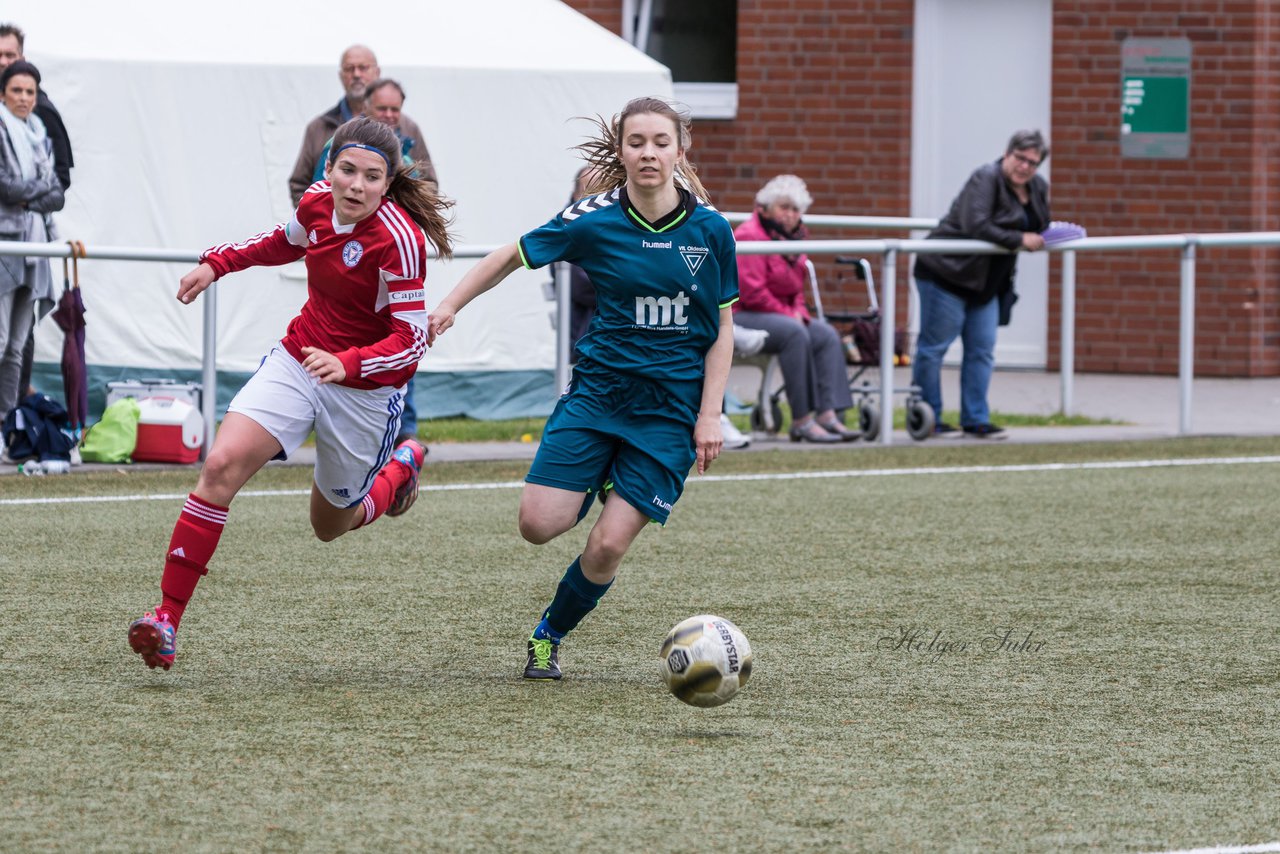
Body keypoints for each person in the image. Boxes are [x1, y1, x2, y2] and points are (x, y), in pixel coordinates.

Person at [127, 116, 454, 671]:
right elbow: (282, 242)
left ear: (387, 182)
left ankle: (400, 467)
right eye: (347, 170)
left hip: (366, 394)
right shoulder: (317, 202)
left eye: (372, 177)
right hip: (301, 358)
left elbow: (411, 343)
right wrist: (217, 263)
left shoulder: (400, 241)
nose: (356, 185)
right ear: (329, 168)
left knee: (331, 527)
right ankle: (166, 619)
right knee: (220, 465)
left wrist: (348, 363)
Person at [428, 96, 738, 681]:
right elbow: (510, 256)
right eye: (637, 142)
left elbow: (722, 328)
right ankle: (599, 472)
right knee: (537, 525)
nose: (649, 153)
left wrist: (710, 414)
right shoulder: (591, 217)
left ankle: (548, 636)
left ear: (681, 148)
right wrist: (448, 305)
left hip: (670, 414)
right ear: (620, 150)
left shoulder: (710, 229)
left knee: (605, 547)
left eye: (660, 142)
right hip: (598, 398)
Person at [309, 77, 433, 445]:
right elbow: (311, 191)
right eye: (384, 109)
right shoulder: (336, 144)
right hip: (343, 267)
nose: (392, 116)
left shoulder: (408, 143)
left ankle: (404, 437)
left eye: (397, 109)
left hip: (393, 263)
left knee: (397, 336)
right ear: (368, 110)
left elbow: (430, 187)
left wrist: (406, 224)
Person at [912, 130, 1050, 440]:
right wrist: (1018, 239)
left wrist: (1054, 236)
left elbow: (1041, 225)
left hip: (987, 283)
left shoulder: (1037, 187)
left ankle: (976, 419)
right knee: (934, 349)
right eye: (1020, 158)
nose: (1025, 167)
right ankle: (928, 417)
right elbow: (977, 224)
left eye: (1032, 162)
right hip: (946, 274)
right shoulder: (985, 178)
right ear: (1007, 153)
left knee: (982, 350)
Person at [733, 175, 856, 442]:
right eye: (784, 207)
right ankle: (801, 419)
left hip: (778, 314)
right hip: (743, 314)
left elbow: (796, 288)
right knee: (794, 333)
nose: (790, 215)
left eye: (795, 209)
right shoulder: (749, 235)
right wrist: (790, 315)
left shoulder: (797, 238)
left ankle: (828, 414)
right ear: (766, 207)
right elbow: (751, 293)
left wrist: (798, 310)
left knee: (824, 334)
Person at [1, 24, 74, 407]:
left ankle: (6, 424)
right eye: (17, 91)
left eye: (9, 56)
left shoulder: (42, 123)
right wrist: (32, 191)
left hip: (31, 245)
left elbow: (59, 186)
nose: (24, 98)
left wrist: (27, 200)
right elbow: (7, 185)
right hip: (7, 243)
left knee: (15, 344)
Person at [288, 46, 437, 207]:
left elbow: (428, 183)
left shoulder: (409, 129)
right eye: (350, 69)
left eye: (363, 68)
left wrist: (408, 217)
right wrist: (318, 220)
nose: (357, 74)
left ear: (377, 72)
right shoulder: (320, 128)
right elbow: (299, 184)